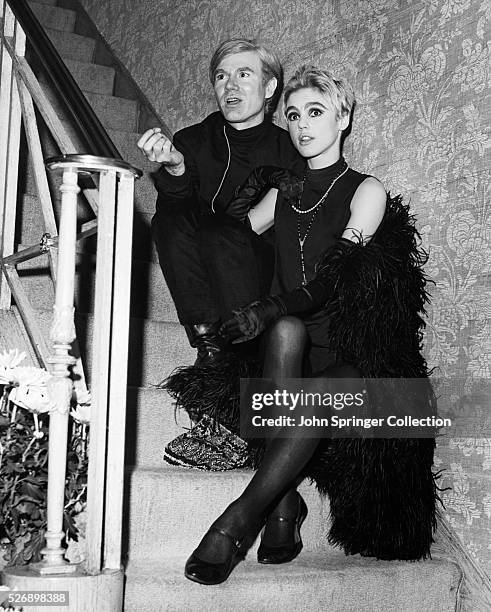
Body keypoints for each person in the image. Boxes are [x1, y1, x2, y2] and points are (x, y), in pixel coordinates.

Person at [183, 65, 437, 585]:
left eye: (315, 113)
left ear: (343, 118)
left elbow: (333, 280)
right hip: (293, 350)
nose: (301, 126)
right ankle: (284, 506)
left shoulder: (367, 190)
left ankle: (240, 519)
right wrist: (256, 183)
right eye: (294, 115)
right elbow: (228, 239)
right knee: (284, 333)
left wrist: (272, 306)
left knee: (309, 362)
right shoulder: (287, 192)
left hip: (354, 362)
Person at [137, 39, 303, 364]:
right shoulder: (192, 140)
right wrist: (176, 167)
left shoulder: (289, 150)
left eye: (243, 74)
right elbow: (176, 214)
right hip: (201, 256)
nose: (230, 86)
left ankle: (240, 347)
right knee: (168, 219)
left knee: (217, 231)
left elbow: (275, 224)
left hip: (256, 268)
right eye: (221, 76)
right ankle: (208, 340)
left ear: (269, 87)